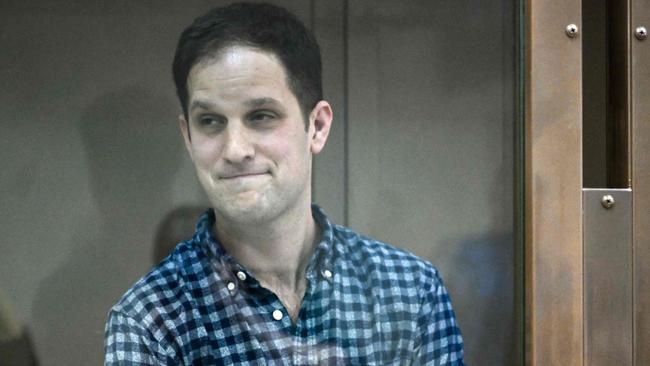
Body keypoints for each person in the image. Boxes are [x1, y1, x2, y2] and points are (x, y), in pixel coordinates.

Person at [104, 2, 464, 364]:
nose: (235, 149)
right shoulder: (150, 321)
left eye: (261, 116)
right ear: (188, 136)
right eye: (210, 121)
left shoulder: (410, 292)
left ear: (318, 127)